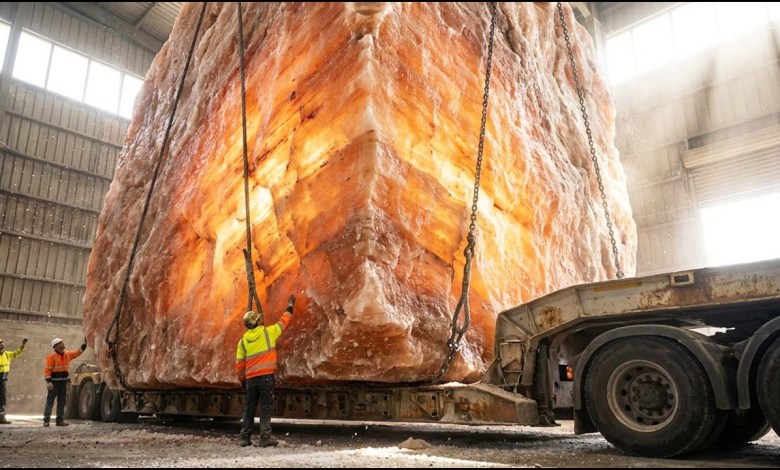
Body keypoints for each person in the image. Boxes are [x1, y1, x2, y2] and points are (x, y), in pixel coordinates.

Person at [236, 295, 295, 447]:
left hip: (251, 380)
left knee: (249, 408)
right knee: (266, 406)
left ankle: (244, 438)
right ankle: (264, 437)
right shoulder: (268, 333)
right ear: (257, 321)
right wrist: (289, 307)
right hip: (266, 378)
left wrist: (242, 380)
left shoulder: (242, 342)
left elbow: (239, 364)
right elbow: (283, 323)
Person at [43, 337, 86, 427]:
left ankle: (59, 420)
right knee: (50, 401)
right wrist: (48, 382)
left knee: (62, 401)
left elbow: (76, 353)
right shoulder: (51, 356)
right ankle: (46, 420)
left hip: (63, 382)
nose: (63, 344)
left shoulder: (66, 354)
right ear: (56, 346)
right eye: (61, 343)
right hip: (54, 383)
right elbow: (47, 370)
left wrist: (84, 345)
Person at [0, 337, 28, 424]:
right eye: (0, 343)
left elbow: (17, 353)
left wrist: (22, 346)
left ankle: (1, 418)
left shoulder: (7, 354)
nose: (2, 345)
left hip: (2, 379)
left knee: (2, 398)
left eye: (2, 343)